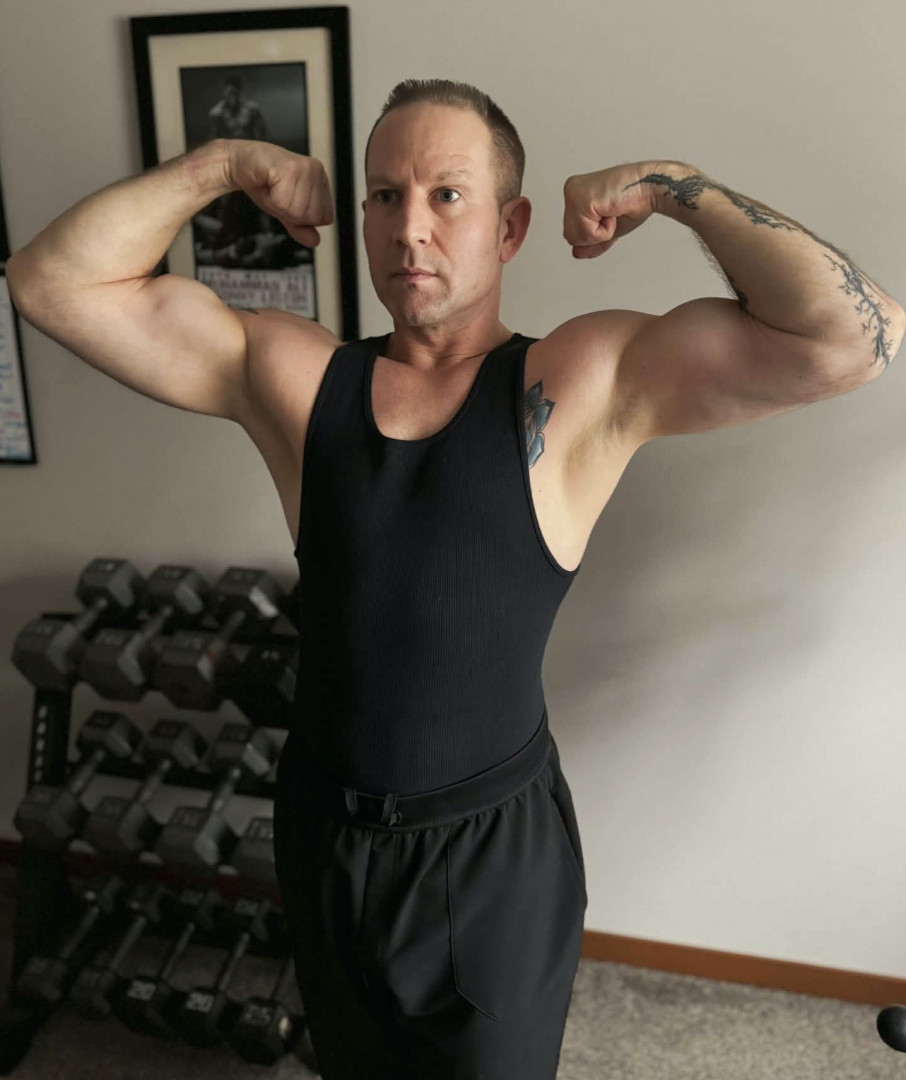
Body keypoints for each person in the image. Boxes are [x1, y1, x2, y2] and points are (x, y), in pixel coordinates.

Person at [6, 77, 902, 1079]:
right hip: (322, 831)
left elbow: (855, 337)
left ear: (509, 228)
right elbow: (49, 284)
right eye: (385, 196)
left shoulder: (580, 382)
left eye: (446, 195)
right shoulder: (299, 380)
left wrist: (674, 186)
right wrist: (221, 164)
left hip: (489, 861)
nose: (410, 228)